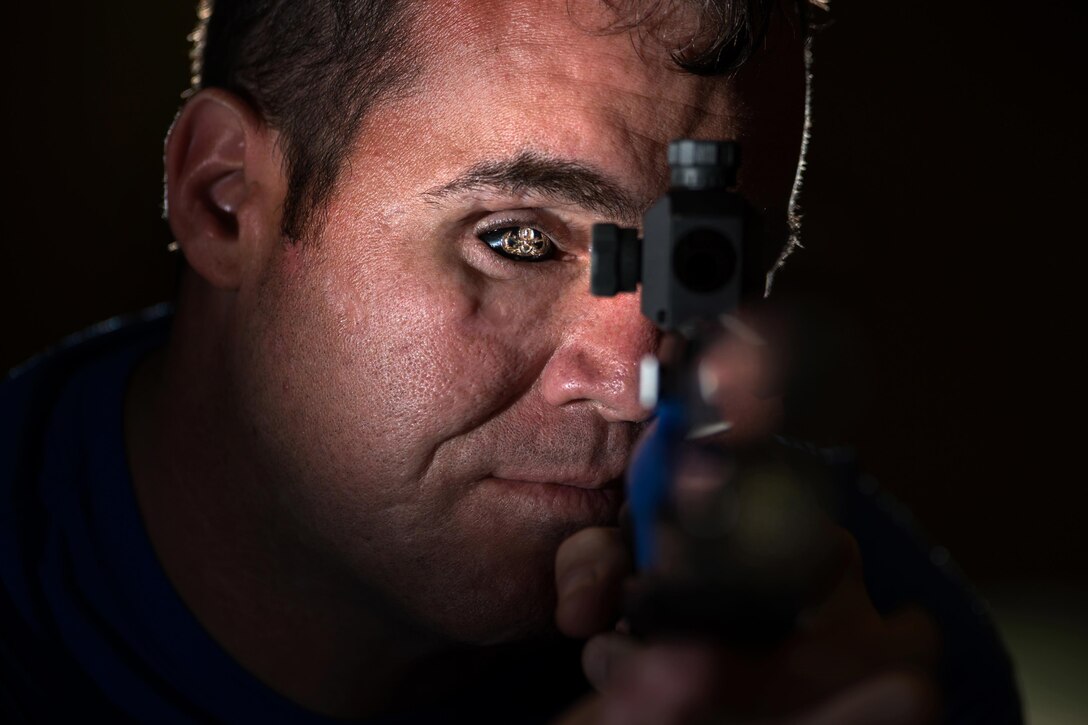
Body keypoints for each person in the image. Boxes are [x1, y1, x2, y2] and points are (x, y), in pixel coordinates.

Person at [0, 0, 1022, 722]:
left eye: (709, 263)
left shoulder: (844, 641)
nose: (634, 377)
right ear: (223, 199)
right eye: (519, 240)